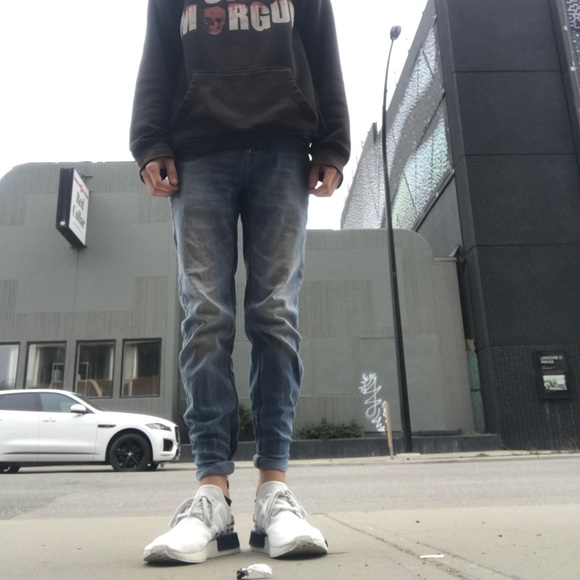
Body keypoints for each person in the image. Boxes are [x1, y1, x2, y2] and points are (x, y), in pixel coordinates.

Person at [129, 0, 350, 565]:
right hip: (197, 150)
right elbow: (157, 59)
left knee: (275, 315)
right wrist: (149, 141)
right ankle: (212, 494)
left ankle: (274, 493)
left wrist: (332, 143)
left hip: (284, 146)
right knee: (205, 317)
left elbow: (323, 53)